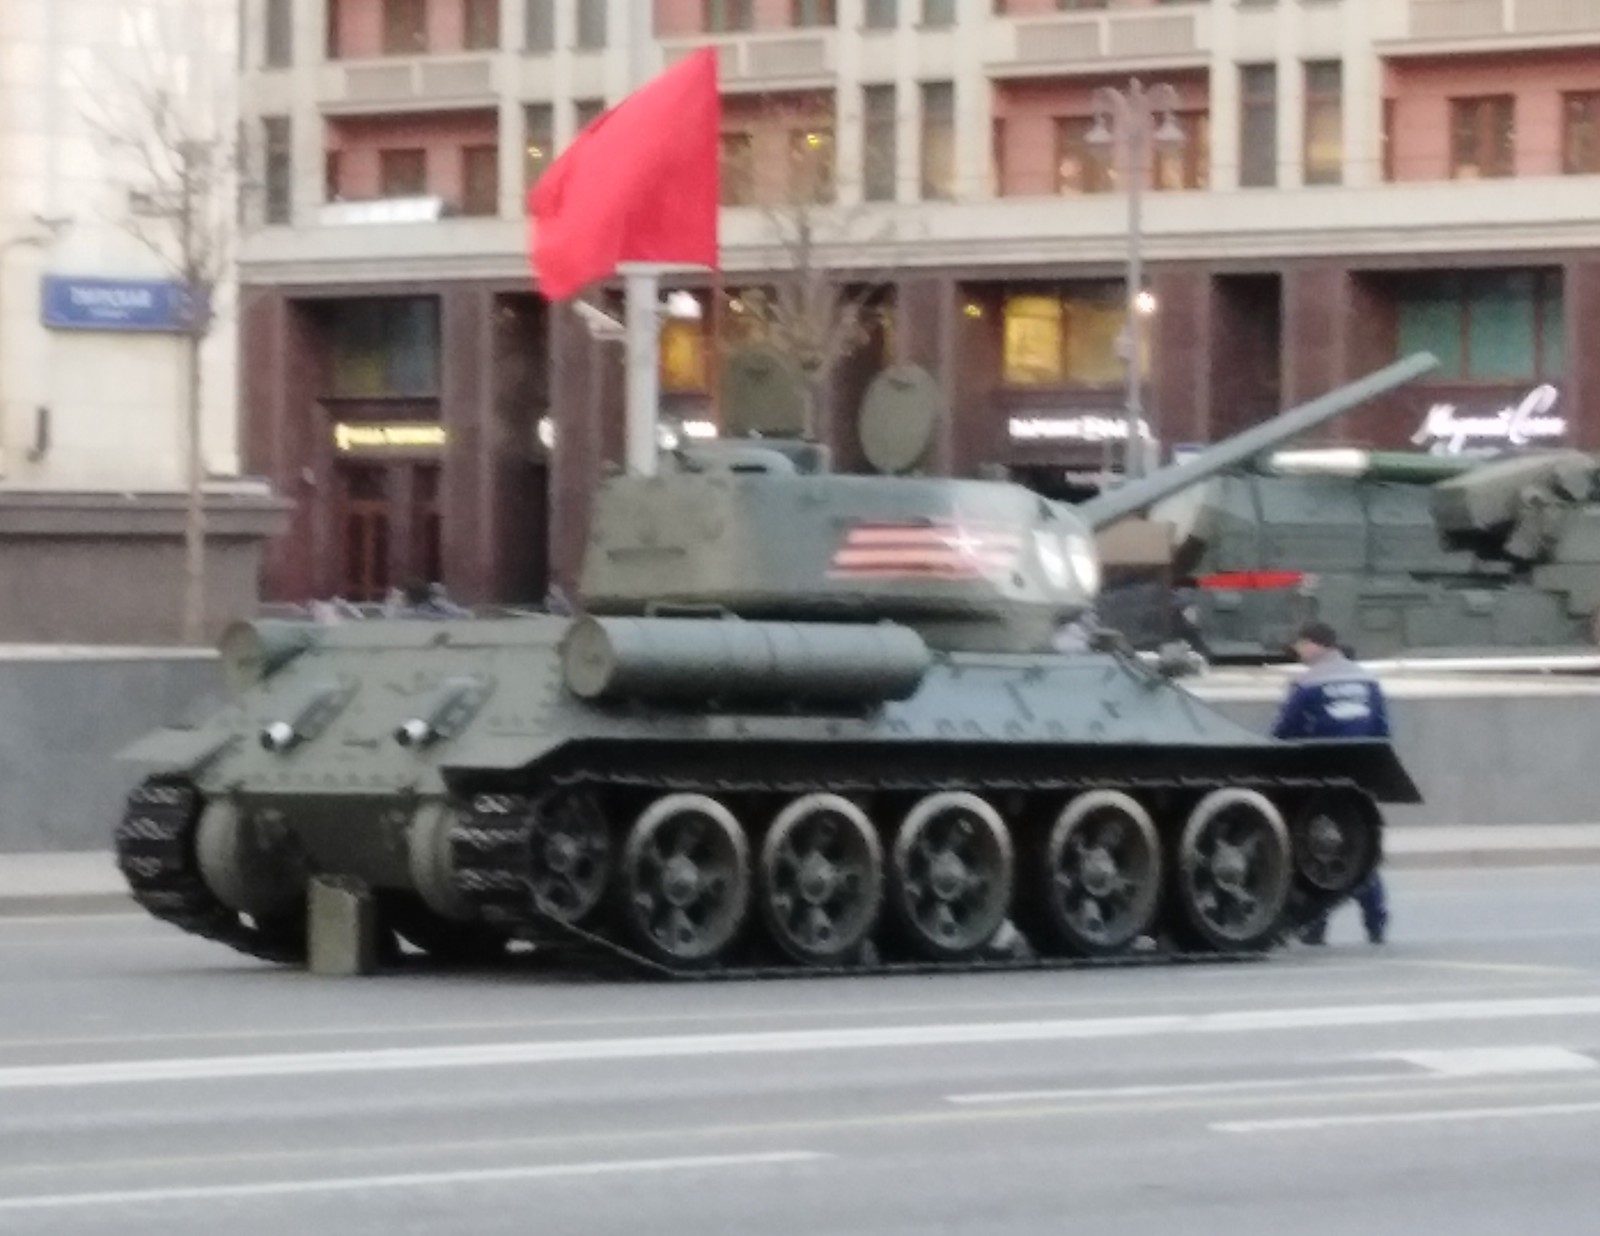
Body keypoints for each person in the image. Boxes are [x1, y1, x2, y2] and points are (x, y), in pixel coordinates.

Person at [1271, 620, 1390, 945]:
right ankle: (1376, 920)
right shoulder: (1366, 678)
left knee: (1314, 847)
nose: (1297, 651)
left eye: (1299, 644)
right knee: (1359, 845)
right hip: (1360, 771)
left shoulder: (1309, 682)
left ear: (1314, 644)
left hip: (1319, 772)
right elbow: (1381, 726)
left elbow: (1283, 731)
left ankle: (1315, 924)